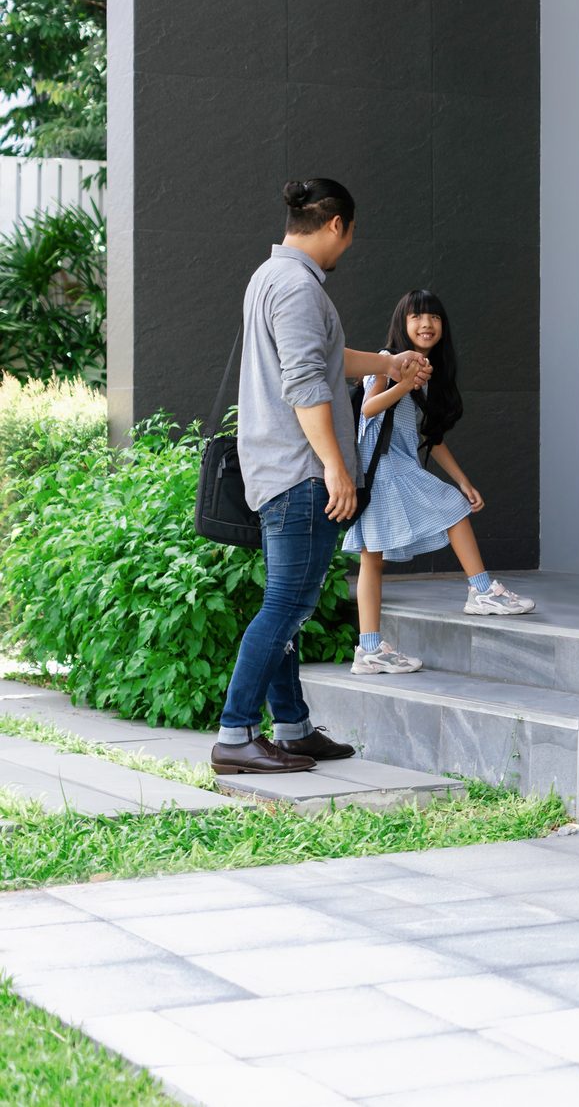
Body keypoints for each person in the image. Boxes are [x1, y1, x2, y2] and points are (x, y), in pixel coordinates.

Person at [213, 179, 431, 775]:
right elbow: (307, 383)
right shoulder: (297, 288)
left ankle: (294, 728)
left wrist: (387, 363)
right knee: (286, 604)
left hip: (278, 468)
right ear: (337, 224)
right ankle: (235, 734)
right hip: (301, 472)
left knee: (285, 603)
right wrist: (336, 466)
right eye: (351, 234)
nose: (348, 246)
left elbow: (326, 361)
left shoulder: (272, 277)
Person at [345, 289, 533, 675]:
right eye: (416, 317)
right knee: (448, 510)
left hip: (391, 468)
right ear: (402, 323)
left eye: (433, 317)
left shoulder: (427, 373)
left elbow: (432, 438)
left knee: (372, 559)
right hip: (381, 467)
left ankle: (369, 649)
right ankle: (481, 591)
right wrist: (404, 382)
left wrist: (463, 480)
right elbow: (368, 408)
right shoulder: (385, 361)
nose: (426, 324)